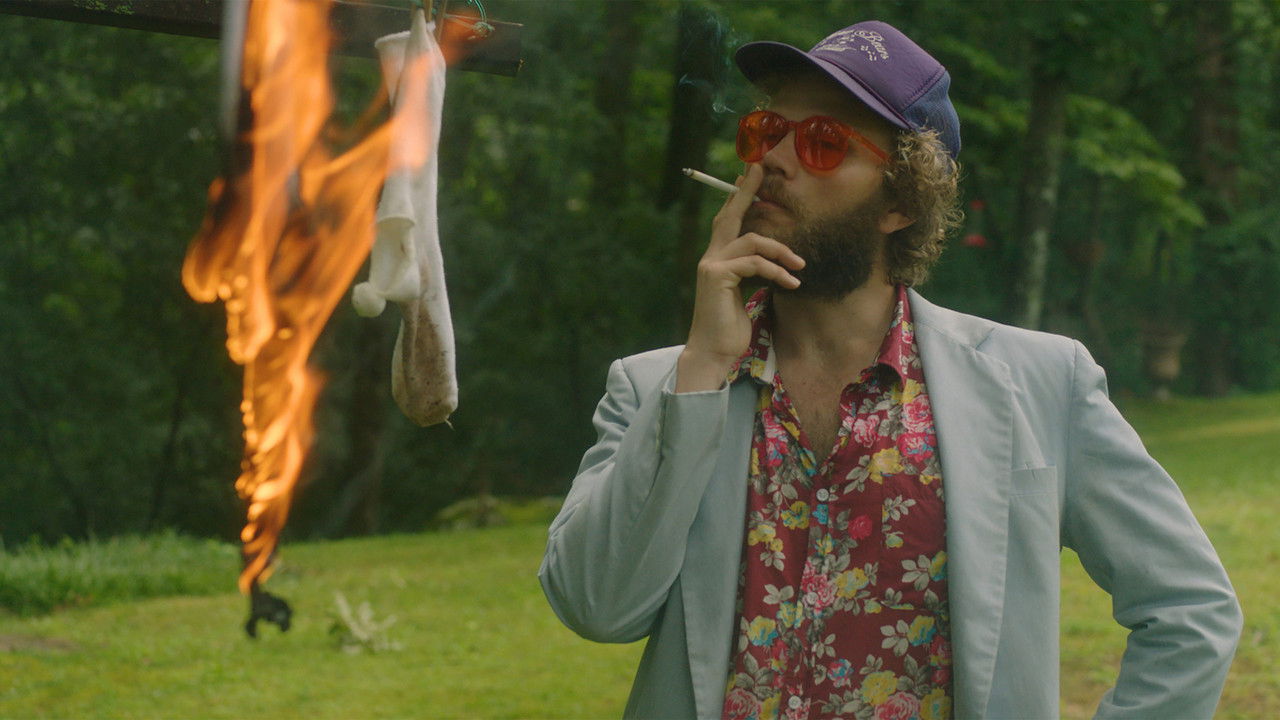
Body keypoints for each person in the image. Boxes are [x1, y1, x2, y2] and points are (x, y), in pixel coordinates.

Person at [539, 20, 1241, 720]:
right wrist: (702, 367)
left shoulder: (1042, 384)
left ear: (903, 201)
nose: (773, 160)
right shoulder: (659, 389)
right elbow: (597, 607)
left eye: (822, 142)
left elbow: (1190, 608)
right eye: (765, 131)